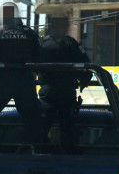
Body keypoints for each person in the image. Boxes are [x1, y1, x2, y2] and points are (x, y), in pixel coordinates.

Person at [0, 1, 43, 151]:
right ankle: (38, 146)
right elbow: (39, 59)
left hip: (2, 81)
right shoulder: (30, 34)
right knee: (32, 116)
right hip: (25, 81)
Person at [38, 17, 92, 153]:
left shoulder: (42, 43)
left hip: (48, 90)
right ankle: (68, 150)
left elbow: (30, 64)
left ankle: (39, 149)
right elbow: (85, 64)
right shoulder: (71, 43)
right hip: (65, 91)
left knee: (43, 124)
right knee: (67, 124)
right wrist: (84, 80)